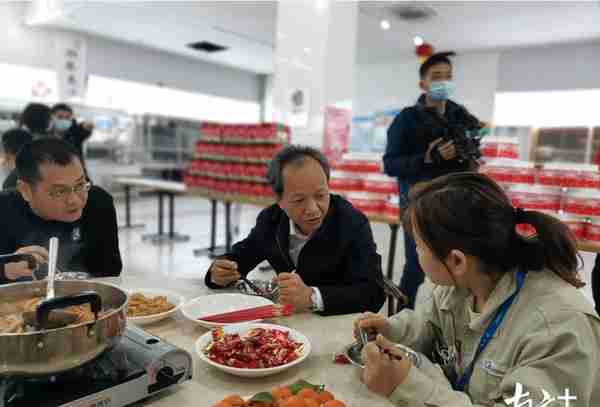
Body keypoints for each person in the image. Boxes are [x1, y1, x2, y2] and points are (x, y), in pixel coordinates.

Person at [354, 172, 600, 406]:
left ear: (457, 261)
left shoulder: (558, 329)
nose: (416, 253)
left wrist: (407, 387)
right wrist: (392, 330)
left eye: (419, 246)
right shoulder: (462, 284)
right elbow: (430, 326)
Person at [204, 145, 386, 316]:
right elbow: (240, 258)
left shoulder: (352, 223)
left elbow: (373, 293)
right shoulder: (271, 220)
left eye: (321, 195)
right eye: (299, 200)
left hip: (337, 325)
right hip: (287, 324)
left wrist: (311, 297)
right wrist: (218, 273)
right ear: (280, 201)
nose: (313, 209)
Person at [383, 51, 483, 310]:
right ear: (423, 83)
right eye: (437, 76)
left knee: (456, 263)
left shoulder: (461, 116)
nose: (444, 82)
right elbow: (390, 163)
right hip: (418, 202)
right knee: (417, 265)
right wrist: (428, 157)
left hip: (455, 202)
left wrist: (468, 153)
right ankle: (402, 321)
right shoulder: (407, 119)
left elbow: (475, 146)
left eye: (448, 76)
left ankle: (449, 323)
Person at [0, 138, 122, 284]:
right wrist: (4, 269)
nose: (75, 201)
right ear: (25, 190)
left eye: (80, 185)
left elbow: (110, 271)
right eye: (59, 192)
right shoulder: (4, 210)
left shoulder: (99, 203)